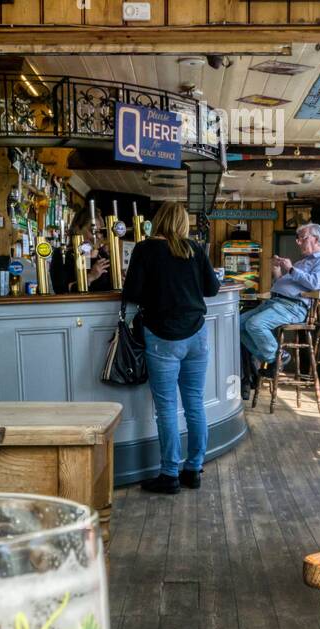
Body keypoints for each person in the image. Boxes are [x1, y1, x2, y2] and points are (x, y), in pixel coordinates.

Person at [122, 201, 220, 495]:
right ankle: (194, 469)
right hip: (196, 335)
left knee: (166, 407)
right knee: (194, 403)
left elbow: (132, 292)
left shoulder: (145, 249)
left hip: (163, 336)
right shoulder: (194, 249)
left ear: (159, 221)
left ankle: (169, 475)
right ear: (183, 223)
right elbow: (212, 289)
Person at [240, 223, 320, 379]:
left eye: (302, 238)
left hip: (293, 307)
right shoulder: (302, 263)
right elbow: (285, 285)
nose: (298, 242)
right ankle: (275, 358)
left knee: (255, 324)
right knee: (238, 324)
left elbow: (315, 283)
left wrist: (291, 269)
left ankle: (277, 357)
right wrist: (277, 271)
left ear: (316, 239)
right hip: (274, 303)